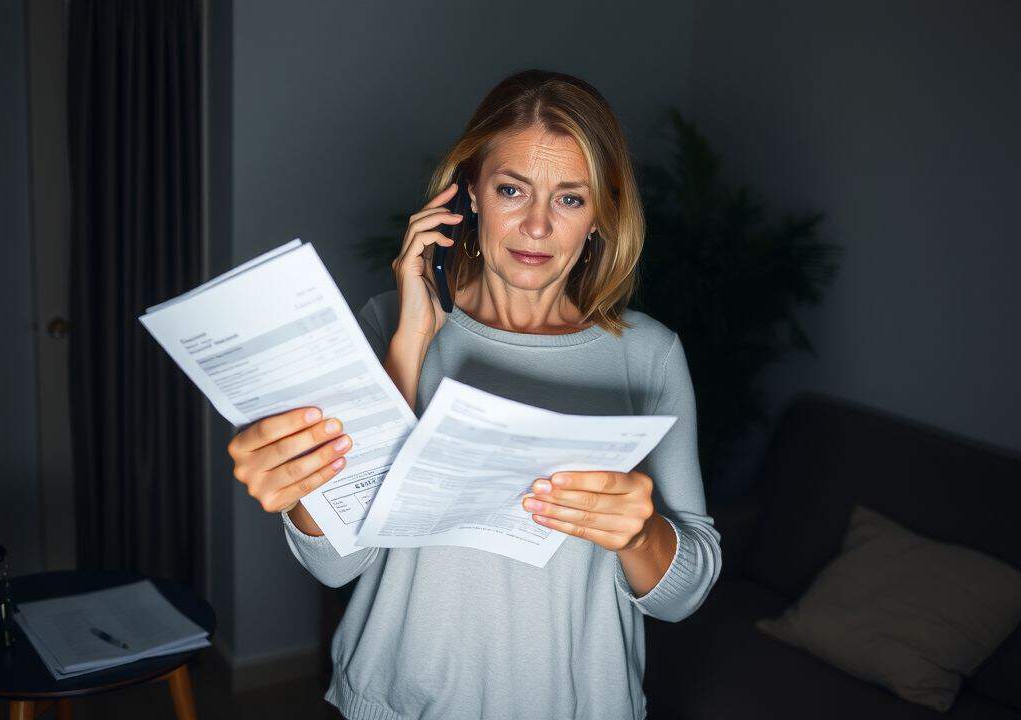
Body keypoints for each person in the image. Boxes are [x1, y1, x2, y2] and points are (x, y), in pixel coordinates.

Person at [226, 69, 722, 720]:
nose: (537, 225)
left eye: (570, 199)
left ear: (600, 213)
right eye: (513, 189)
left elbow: (682, 595)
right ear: (471, 195)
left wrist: (640, 537)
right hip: (400, 704)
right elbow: (335, 562)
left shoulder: (648, 354)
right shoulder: (388, 323)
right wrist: (412, 343)